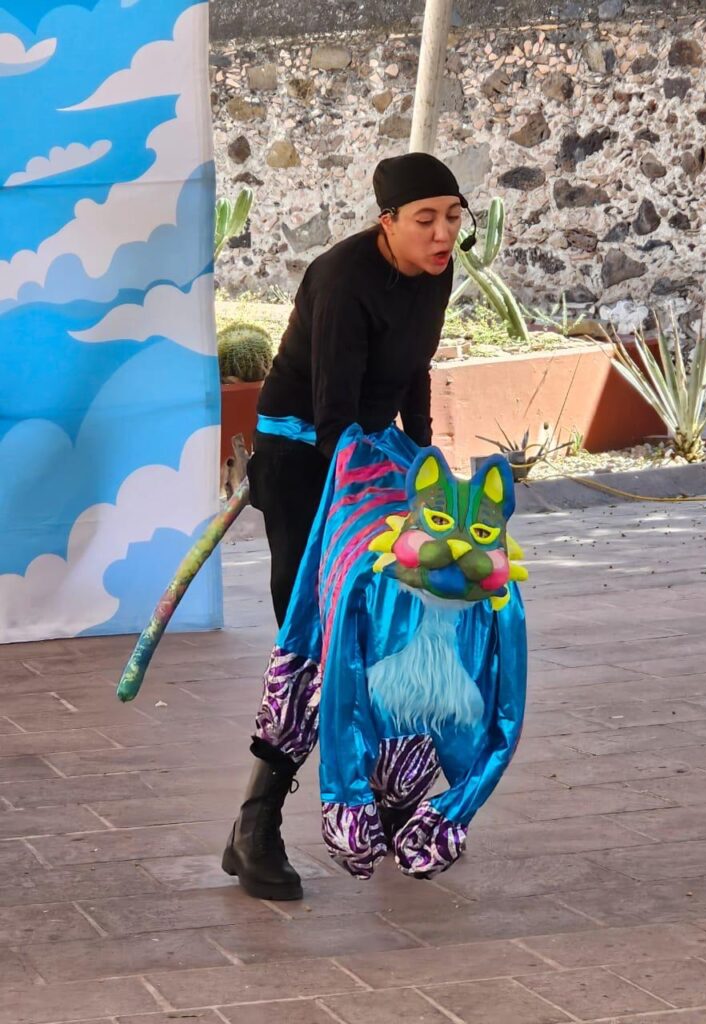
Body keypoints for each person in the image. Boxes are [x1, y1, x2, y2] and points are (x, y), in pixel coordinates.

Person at [222, 152, 478, 900]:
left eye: (453, 217)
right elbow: (334, 415)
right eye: (425, 220)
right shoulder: (341, 281)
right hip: (308, 460)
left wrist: (425, 473)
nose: (442, 234)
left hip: (372, 456)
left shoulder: (437, 270)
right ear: (385, 222)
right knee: (319, 645)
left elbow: (414, 371)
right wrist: (363, 507)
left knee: (397, 633)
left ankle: (394, 804)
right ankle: (255, 824)